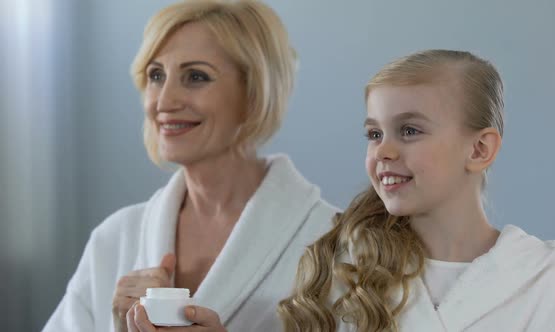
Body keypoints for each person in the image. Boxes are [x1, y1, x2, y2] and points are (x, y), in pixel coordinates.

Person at [42, 1, 338, 331]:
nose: (164, 102)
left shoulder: (334, 243)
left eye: (196, 76)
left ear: (254, 93)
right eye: (156, 75)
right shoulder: (114, 239)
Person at [279, 49, 555, 331]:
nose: (382, 151)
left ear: (479, 149)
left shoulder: (545, 289)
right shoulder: (344, 275)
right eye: (374, 133)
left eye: (410, 130)